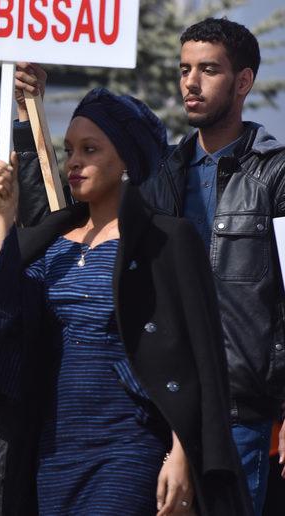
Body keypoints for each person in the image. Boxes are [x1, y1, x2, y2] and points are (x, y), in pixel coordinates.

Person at [0, 88, 250, 515]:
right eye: (69, 151)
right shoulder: (47, 242)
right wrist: (3, 217)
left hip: (129, 441)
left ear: (126, 159)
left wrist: (181, 454)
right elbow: (4, 318)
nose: (74, 162)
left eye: (90, 149)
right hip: (53, 445)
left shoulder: (168, 240)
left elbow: (199, 357)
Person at [139, 19, 285, 514]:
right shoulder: (162, 173)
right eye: (184, 70)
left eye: (208, 70)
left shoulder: (276, 174)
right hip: (157, 406)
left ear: (243, 82)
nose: (190, 84)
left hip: (238, 409)